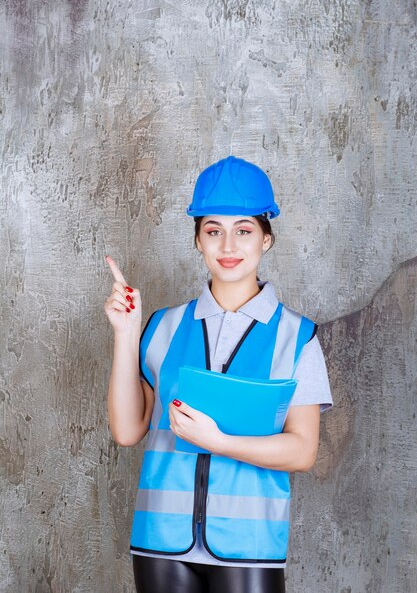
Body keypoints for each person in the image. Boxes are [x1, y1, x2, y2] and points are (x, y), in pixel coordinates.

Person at [104, 156, 333, 593]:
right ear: (198, 240)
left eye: (243, 230)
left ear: (266, 238)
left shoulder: (297, 337)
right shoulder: (162, 327)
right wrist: (126, 334)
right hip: (160, 544)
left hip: (249, 546)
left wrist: (220, 442)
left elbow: (302, 451)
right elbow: (127, 430)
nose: (228, 246)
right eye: (213, 231)